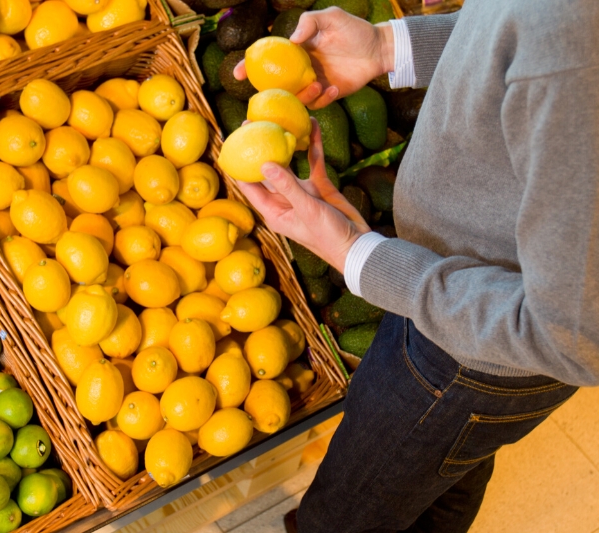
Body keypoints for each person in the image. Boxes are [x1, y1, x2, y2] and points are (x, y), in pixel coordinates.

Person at [233, 1, 599, 531]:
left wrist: (358, 255)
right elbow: (521, 37)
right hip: (446, 305)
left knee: (347, 513)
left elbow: (574, 335)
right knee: (444, 467)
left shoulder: (577, 45)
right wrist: (389, 47)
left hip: (469, 356)